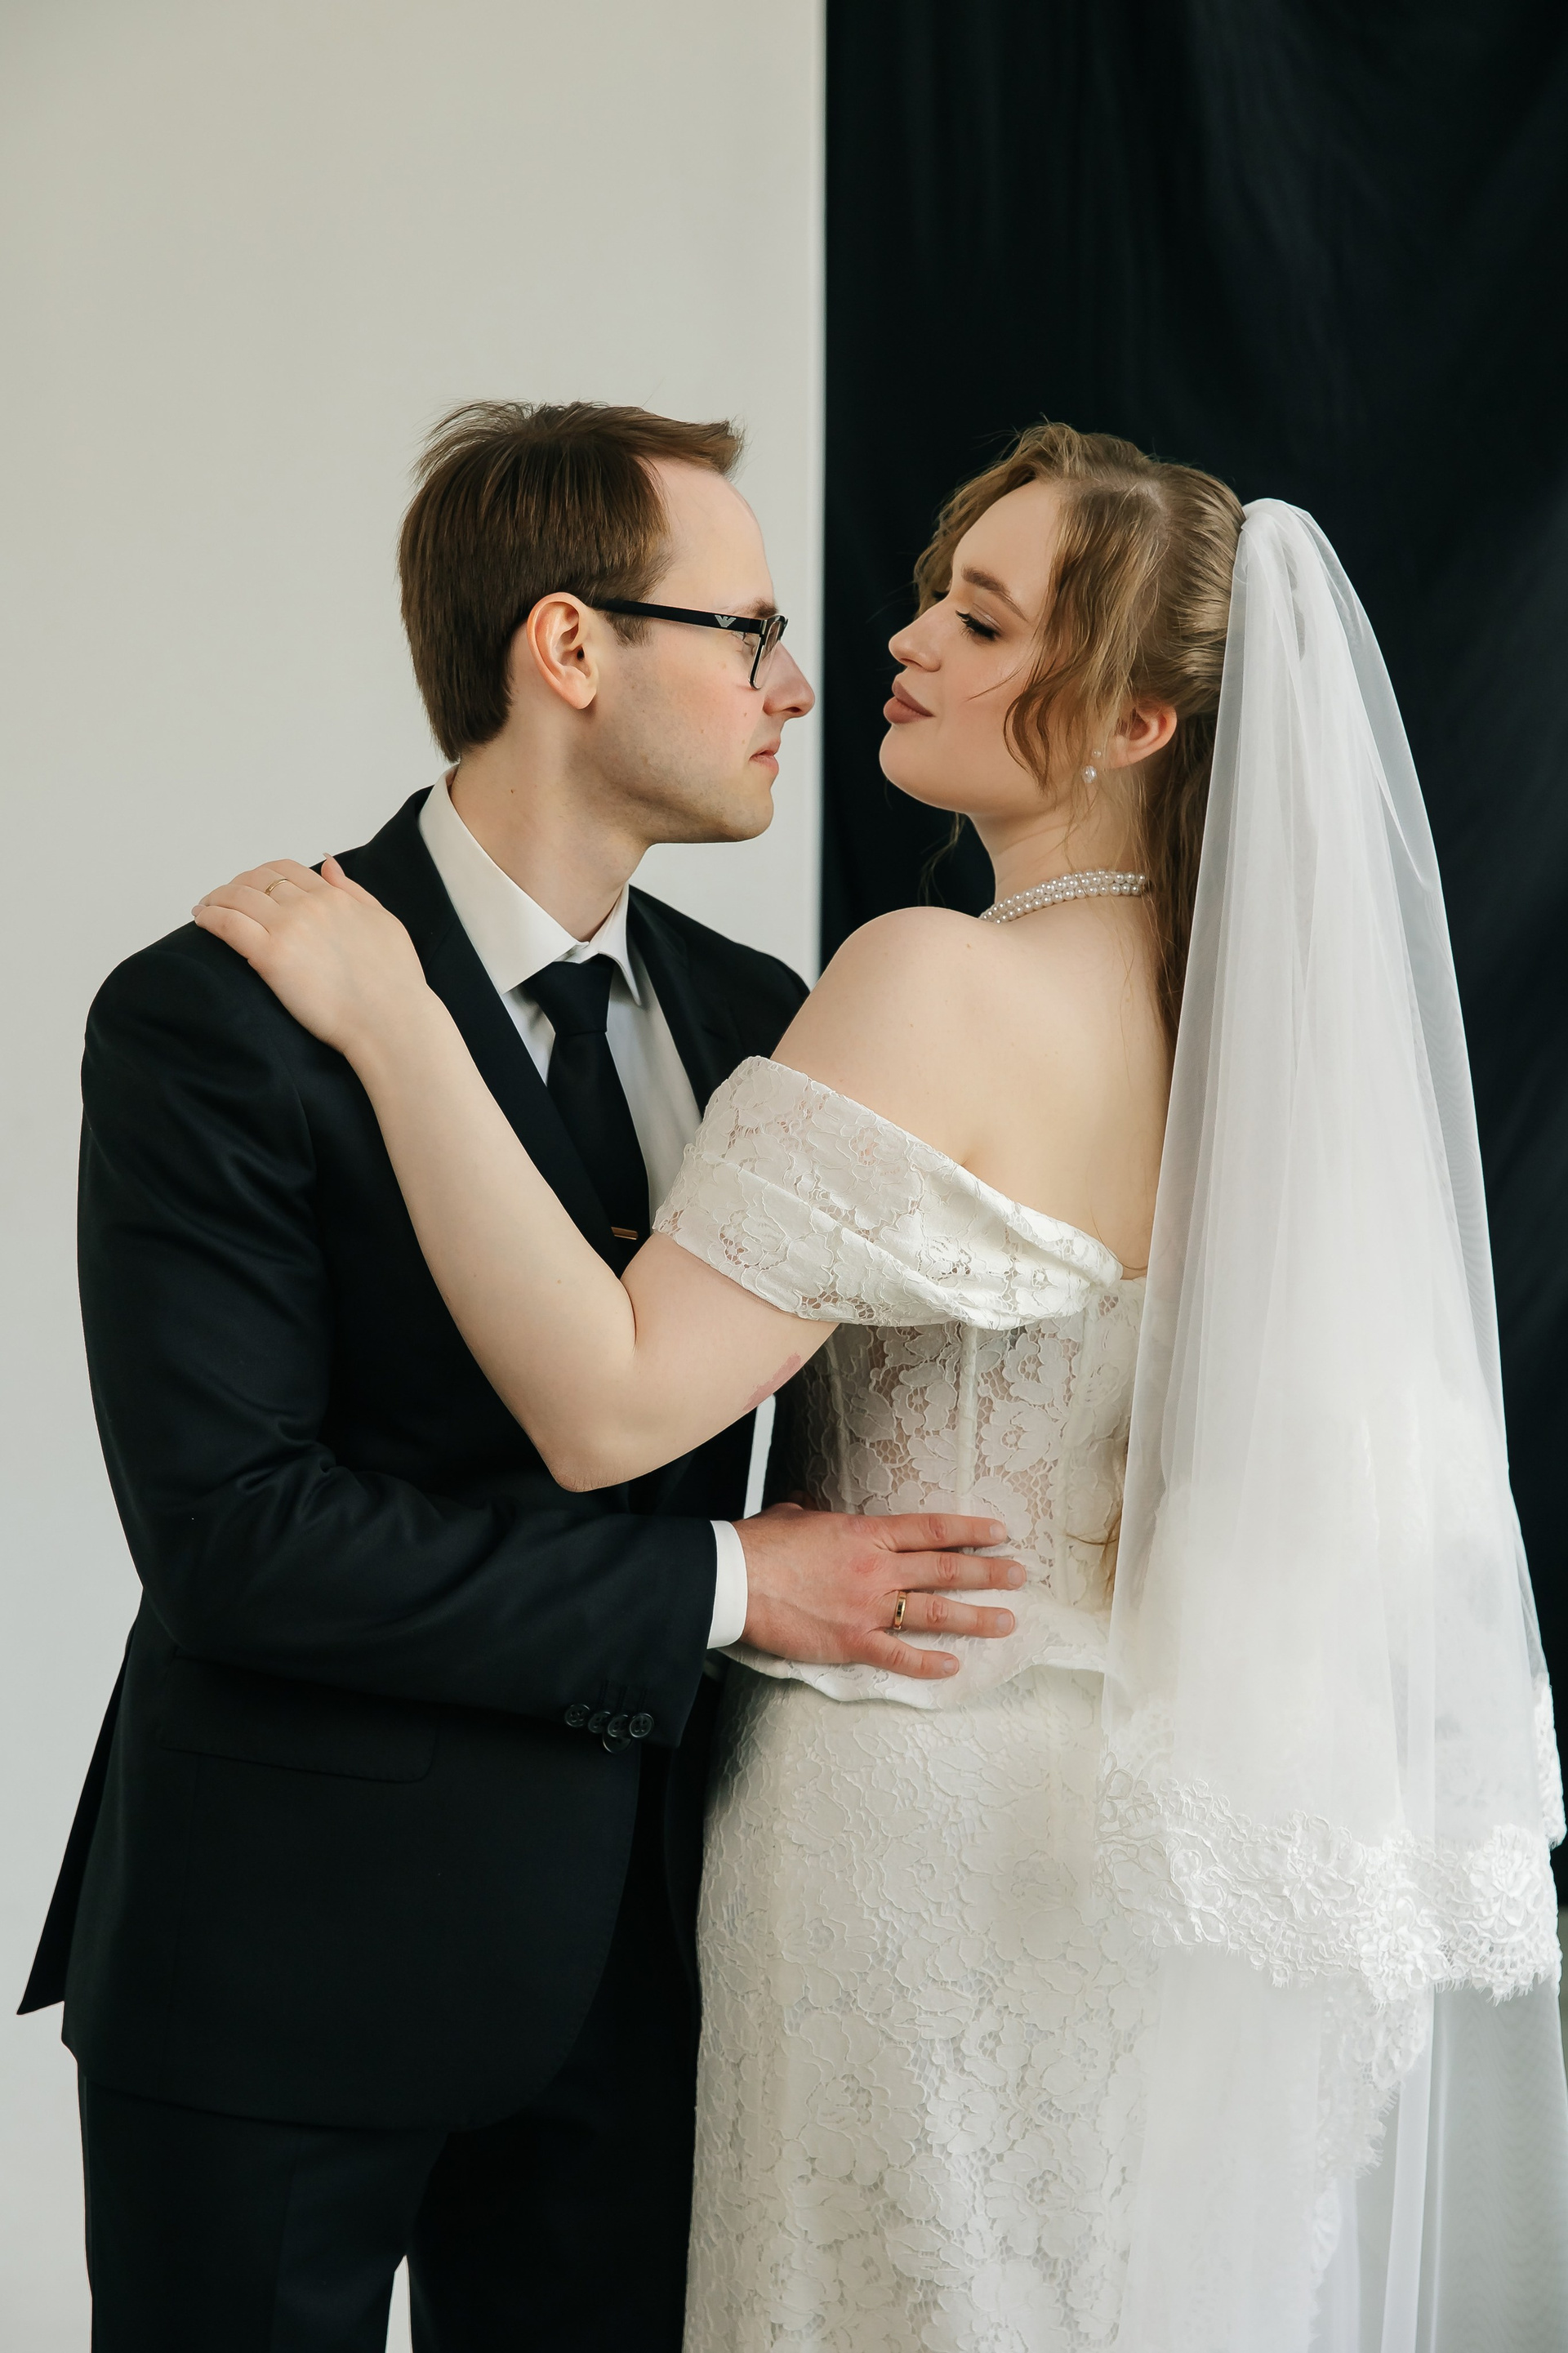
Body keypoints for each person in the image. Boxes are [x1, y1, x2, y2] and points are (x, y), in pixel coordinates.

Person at [194, 423, 1568, 2351]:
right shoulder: (1257, 1038)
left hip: (903, 1806)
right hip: (1130, 1830)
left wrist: (395, 1020)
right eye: (936, 596)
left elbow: (611, 1403)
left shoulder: (929, 976)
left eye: (982, 623)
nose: (900, 643)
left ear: (1135, 724)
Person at [20, 401, 1027, 2353]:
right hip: (276, 1964)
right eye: (748, 631)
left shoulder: (763, 1021)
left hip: (641, 1984)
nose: (795, 684)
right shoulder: (213, 1016)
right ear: (568, 645)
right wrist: (729, 1583)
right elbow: (240, 1540)